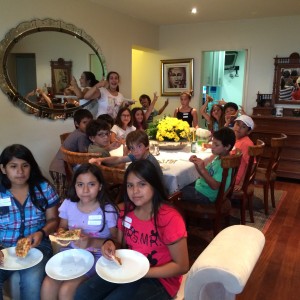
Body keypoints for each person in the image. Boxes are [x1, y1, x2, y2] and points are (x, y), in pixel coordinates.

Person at [74, 159, 189, 300]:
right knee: (82, 294)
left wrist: (142, 272)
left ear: (154, 185)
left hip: (159, 280)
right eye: (130, 185)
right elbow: (120, 245)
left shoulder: (169, 218)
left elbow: (182, 266)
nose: (135, 191)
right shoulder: (126, 211)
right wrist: (109, 244)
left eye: (142, 184)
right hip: (127, 269)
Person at [41, 163, 119, 300]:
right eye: (80, 184)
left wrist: (91, 241)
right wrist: (62, 234)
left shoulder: (107, 209)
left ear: (100, 186)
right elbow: (63, 227)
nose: (85, 190)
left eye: (91, 184)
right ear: (74, 186)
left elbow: (116, 242)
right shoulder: (68, 204)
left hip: (97, 256)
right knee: (48, 284)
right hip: (71, 252)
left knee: (66, 290)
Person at [0, 144, 59, 300]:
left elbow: (53, 220)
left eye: (25, 166)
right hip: (3, 248)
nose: (20, 171)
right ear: (3, 168)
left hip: (37, 246)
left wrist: (41, 233)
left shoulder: (43, 188)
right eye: (13, 166)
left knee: (31, 281)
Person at [181, 127, 236, 204]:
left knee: (174, 193)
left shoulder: (224, 164)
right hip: (203, 188)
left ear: (227, 147)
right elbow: (205, 175)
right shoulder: (219, 157)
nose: (212, 146)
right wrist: (197, 164)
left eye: (216, 145)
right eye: (213, 142)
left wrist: (203, 169)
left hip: (206, 195)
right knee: (181, 185)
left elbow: (215, 186)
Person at [89, 130, 164, 185]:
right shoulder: (138, 155)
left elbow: (150, 186)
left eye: (139, 146)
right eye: (132, 148)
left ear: (147, 146)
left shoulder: (149, 163)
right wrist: (100, 159)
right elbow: (118, 159)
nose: (135, 151)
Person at [49, 109, 93, 200]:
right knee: (61, 195)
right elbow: (84, 155)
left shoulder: (78, 133)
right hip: (60, 168)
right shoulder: (82, 136)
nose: (88, 125)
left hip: (59, 166)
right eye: (85, 122)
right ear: (77, 124)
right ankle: (59, 212)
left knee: (62, 192)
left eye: (90, 122)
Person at [232, 115, 254, 191]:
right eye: (237, 124)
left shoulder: (246, 143)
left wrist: (242, 183)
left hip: (233, 179)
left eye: (243, 127)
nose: (238, 128)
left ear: (249, 131)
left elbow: (252, 164)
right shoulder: (235, 139)